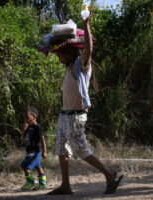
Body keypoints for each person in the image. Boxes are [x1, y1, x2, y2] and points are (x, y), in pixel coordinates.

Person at [45, 6, 123, 195]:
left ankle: (109, 174)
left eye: (60, 54)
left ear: (69, 53)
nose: (58, 57)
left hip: (75, 117)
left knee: (81, 150)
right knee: (62, 151)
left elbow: (89, 48)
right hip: (65, 115)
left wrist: (86, 24)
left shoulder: (81, 65)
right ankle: (65, 186)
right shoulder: (69, 65)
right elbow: (56, 49)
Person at [21, 106, 47, 190]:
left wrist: (44, 151)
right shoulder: (28, 126)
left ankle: (30, 182)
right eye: (25, 117)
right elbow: (24, 138)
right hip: (29, 151)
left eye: (27, 117)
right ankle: (43, 184)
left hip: (35, 151)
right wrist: (24, 129)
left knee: (24, 165)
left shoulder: (37, 127)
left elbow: (42, 139)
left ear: (34, 117)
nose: (26, 119)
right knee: (38, 167)